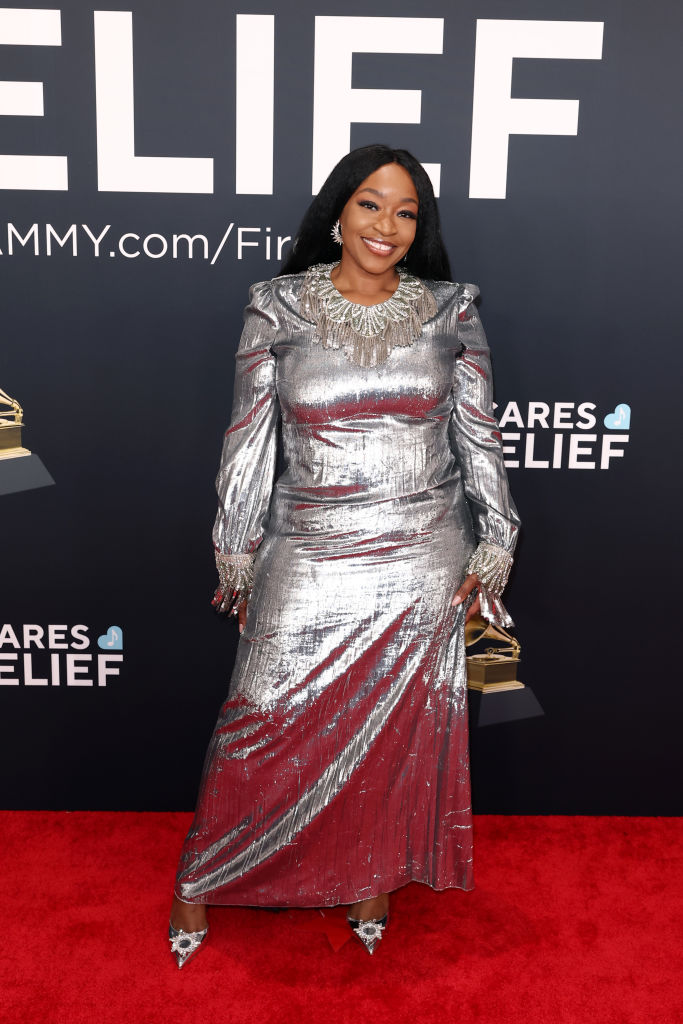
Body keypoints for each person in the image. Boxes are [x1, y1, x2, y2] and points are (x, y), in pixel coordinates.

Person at [168, 144, 520, 966]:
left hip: (422, 549)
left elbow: (478, 434)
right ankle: (200, 876)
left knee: (396, 728)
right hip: (310, 542)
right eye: (370, 204)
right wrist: (236, 552)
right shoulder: (277, 306)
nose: (385, 226)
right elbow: (248, 442)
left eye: (404, 212)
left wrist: (497, 534)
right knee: (257, 716)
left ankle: (373, 875)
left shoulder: (450, 310)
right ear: (338, 210)